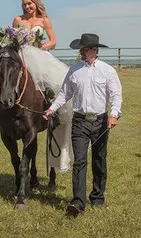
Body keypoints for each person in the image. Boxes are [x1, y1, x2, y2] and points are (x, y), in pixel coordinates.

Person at [0, 0, 74, 173]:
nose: (27, 7)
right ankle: (2, 107)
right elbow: (10, 41)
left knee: (49, 83)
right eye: (24, 4)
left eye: (29, 3)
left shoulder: (44, 20)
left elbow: (53, 41)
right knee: (6, 78)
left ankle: (52, 112)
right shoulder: (18, 20)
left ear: (36, 3)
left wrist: (40, 46)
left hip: (38, 55)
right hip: (20, 56)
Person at [43, 33, 122, 217]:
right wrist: (51, 109)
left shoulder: (107, 71)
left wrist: (114, 115)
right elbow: (64, 94)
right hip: (79, 121)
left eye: (89, 48)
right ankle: (78, 201)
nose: (87, 51)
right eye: (85, 49)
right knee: (79, 160)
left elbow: (116, 95)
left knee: (99, 160)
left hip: (101, 121)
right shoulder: (74, 71)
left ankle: (97, 196)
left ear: (96, 50)